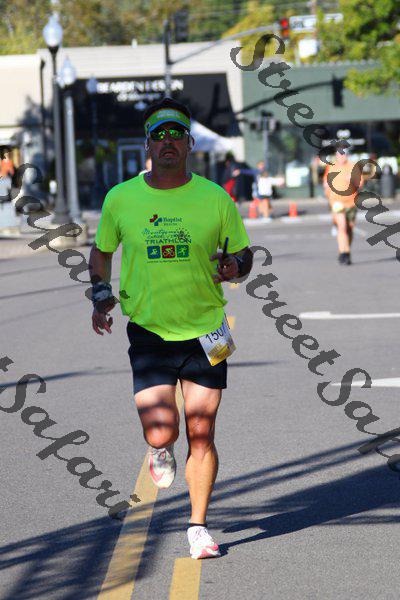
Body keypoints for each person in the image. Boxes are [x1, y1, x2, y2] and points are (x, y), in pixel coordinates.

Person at [89, 97, 253, 560]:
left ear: (189, 143)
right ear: (147, 144)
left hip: (206, 330)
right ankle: (159, 450)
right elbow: (102, 251)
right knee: (162, 433)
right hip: (150, 332)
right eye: (158, 135)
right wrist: (100, 292)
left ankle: (198, 526)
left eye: (175, 135)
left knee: (202, 432)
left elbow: (244, 255)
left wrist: (235, 266)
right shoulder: (121, 198)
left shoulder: (215, 197)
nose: (167, 142)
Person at [323, 148, 364, 265]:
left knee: (349, 228)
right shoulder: (331, 166)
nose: (341, 157)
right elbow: (326, 182)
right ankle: (343, 253)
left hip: (351, 202)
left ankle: (347, 250)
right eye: (339, 155)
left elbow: (360, 183)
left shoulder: (353, 166)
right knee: (342, 227)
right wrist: (328, 193)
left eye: (343, 155)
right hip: (336, 202)